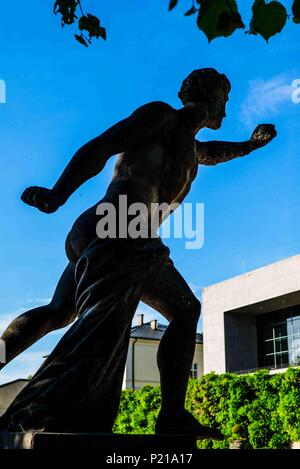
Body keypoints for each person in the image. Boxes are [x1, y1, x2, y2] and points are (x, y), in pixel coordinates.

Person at [0, 68, 277, 435]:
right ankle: (172, 414)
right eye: (225, 99)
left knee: (58, 311)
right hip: (119, 230)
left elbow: (217, 152)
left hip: (108, 233)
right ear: (210, 96)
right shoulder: (161, 116)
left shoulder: (192, 149)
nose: (226, 109)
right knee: (185, 308)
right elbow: (101, 145)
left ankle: (172, 414)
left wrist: (252, 145)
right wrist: (58, 193)